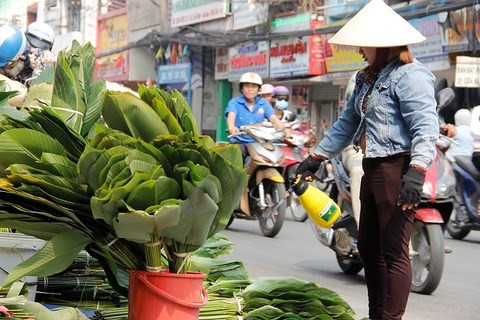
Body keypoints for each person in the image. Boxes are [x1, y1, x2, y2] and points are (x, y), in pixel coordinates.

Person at [296, 1, 439, 319]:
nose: (360, 51)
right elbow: (347, 124)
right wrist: (316, 157)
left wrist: (416, 170)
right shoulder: (365, 79)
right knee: (370, 248)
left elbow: (426, 127)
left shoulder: (411, 75)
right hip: (372, 165)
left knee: (393, 251)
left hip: (397, 169)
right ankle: (377, 315)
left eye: (363, 44)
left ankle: (391, 317)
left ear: (381, 44)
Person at [226, 72, 284, 159]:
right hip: (240, 142)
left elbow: (274, 119)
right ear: (241, 88)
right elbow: (231, 115)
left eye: (253, 86)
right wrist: (231, 127)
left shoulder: (263, 103)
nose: (250, 89)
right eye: (247, 86)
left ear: (258, 89)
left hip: (259, 143)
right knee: (237, 157)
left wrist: (283, 129)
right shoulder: (235, 102)